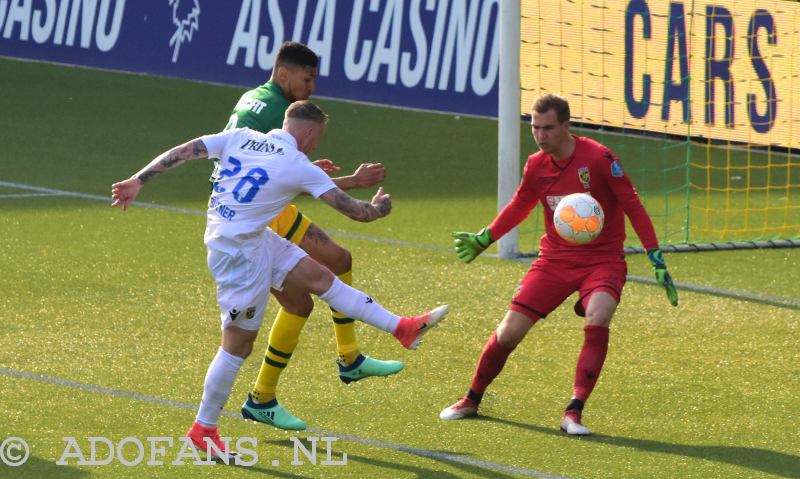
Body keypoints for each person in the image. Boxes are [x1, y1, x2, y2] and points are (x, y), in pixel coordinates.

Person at [111, 100, 448, 457]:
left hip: (253, 239)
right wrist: (379, 208)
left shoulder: (240, 136)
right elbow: (358, 212)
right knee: (237, 345)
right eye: (317, 138)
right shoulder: (297, 164)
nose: (316, 144)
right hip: (239, 259)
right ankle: (203, 428)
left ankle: (403, 328)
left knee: (320, 278)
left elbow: (183, 151)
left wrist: (138, 179)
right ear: (308, 133)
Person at [439, 94, 678, 435]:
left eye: (548, 128)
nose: (540, 135)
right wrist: (485, 238)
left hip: (603, 260)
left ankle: (573, 413)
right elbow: (520, 205)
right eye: (535, 128)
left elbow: (632, 204)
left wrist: (655, 256)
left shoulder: (598, 159)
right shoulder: (537, 165)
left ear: (566, 126)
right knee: (508, 333)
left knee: (599, 314)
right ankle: (471, 399)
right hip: (554, 260)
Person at [218, 41, 403, 430]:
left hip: (255, 206)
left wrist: (304, 166)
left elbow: (265, 170)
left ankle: (348, 358)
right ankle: (262, 398)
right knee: (299, 304)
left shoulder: (255, 98)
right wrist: (351, 181)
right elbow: (275, 177)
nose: (311, 86)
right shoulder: (273, 110)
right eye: (307, 78)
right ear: (283, 74)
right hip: (258, 219)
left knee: (338, 261)